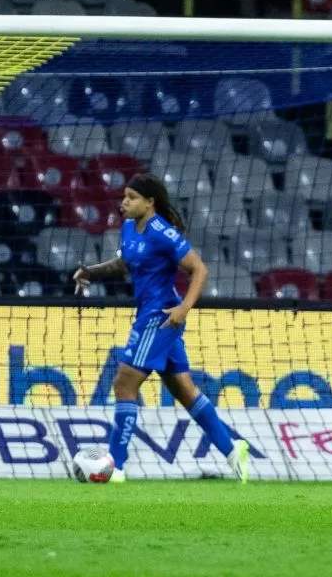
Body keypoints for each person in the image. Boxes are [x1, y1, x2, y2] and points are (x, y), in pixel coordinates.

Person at [73, 174, 249, 483]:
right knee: (184, 390)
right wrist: (91, 272)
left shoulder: (163, 233)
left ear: (150, 202)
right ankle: (233, 451)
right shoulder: (129, 228)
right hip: (152, 315)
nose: (124, 202)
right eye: (124, 196)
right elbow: (125, 263)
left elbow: (199, 269)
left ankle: (117, 468)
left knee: (123, 384)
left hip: (160, 316)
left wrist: (184, 309)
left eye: (132, 197)